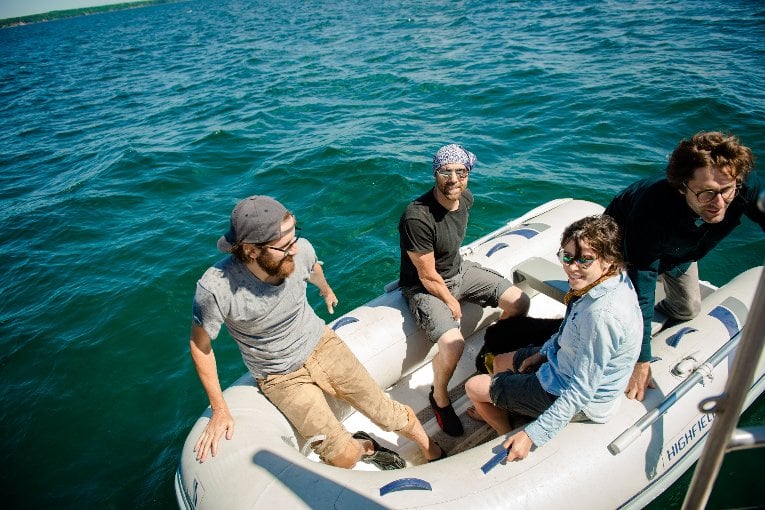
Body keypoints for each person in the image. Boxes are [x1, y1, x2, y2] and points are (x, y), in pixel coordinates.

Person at [189, 195, 445, 470]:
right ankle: (364, 446)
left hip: (322, 344)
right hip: (280, 376)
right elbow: (200, 346)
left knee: (386, 412)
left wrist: (325, 289)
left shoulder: (301, 251)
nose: (295, 249)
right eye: (284, 246)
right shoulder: (215, 289)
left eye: (294, 237)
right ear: (251, 250)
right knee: (341, 456)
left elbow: (312, 268)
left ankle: (434, 451)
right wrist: (219, 409)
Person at [464, 215, 642, 461]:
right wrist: (542, 352)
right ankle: (507, 402)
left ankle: (507, 432)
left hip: (572, 394)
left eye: (585, 259)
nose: (572, 266)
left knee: (473, 387)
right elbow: (568, 330)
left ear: (608, 262)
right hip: (560, 360)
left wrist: (532, 434)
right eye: (567, 257)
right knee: (499, 362)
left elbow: (580, 391)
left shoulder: (601, 316)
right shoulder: (599, 284)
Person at [605, 131, 764, 401]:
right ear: (682, 186)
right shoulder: (652, 210)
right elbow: (641, 284)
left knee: (688, 308)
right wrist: (640, 359)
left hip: (682, 250)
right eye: (707, 193)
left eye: (727, 190)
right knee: (615, 306)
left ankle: (651, 320)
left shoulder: (742, 185)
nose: (720, 203)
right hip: (624, 241)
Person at [398, 144, 530, 436]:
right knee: (453, 344)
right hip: (424, 286)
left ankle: (491, 359)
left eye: (461, 172)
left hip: (460, 270)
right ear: (436, 173)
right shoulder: (416, 217)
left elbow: (451, 249)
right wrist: (449, 300)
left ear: (468, 174)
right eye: (446, 172)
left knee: (519, 302)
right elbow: (426, 274)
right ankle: (440, 396)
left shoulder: (465, 199)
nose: (454, 179)